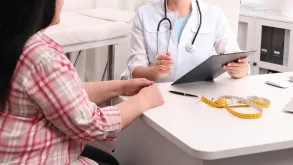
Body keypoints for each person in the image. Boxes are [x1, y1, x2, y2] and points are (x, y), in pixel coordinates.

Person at [0, 0, 164, 165]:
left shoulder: (14, 40)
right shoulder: (44, 59)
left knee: (108, 159)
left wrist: (120, 87)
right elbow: (92, 124)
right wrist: (145, 100)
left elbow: (64, 95)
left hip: (12, 150)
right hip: (33, 157)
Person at [122, 0, 250, 82]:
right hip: (155, 95)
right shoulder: (145, 13)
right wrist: (154, 72)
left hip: (197, 97)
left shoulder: (214, 14)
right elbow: (135, 69)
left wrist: (242, 69)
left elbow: (235, 56)